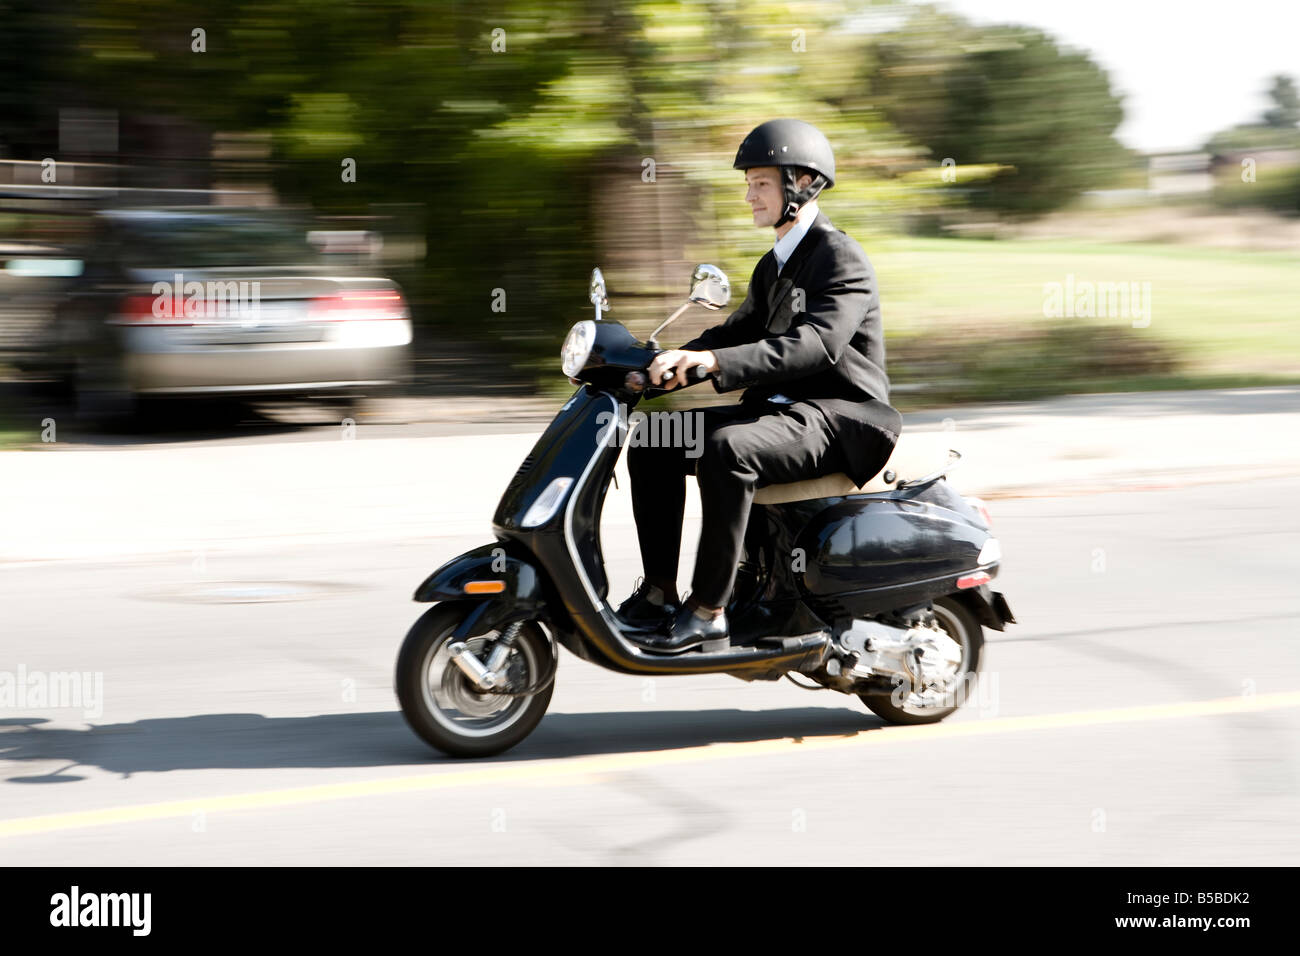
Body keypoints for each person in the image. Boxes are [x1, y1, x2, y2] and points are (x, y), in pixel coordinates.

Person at [618, 118, 903, 653]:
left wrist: (710, 361)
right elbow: (733, 334)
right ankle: (658, 593)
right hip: (785, 413)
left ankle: (708, 610)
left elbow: (815, 345)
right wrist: (644, 368)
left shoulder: (839, 256)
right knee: (652, 438)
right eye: (748, 184)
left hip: (842, 417)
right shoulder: (775, 265)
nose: (749, 195)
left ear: (801, 184)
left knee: (726, 450)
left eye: (761, 183)